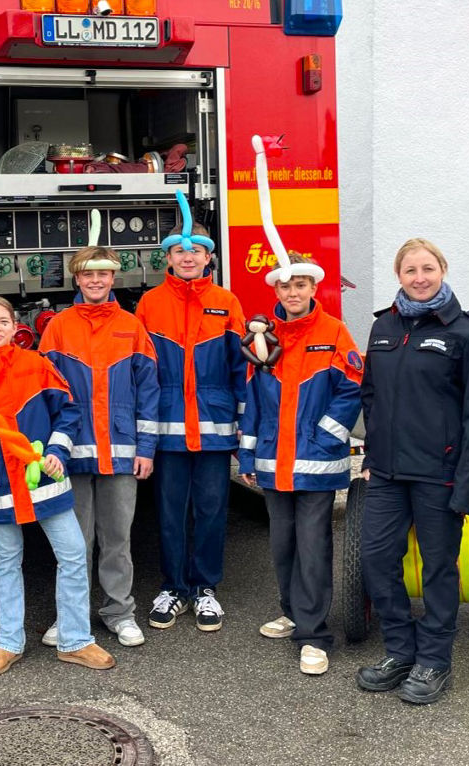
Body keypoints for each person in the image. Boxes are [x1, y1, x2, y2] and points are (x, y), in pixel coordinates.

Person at [355, 238, 469, 704]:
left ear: (442, 270)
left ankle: (435, 660)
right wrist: (373, 455)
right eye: (410, 270)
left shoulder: (467, 334)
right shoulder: (383, 327)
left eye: (428, 269)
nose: (420, 278)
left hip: (440, 474)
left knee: (438, 569)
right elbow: (371, 395)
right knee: (377, 559)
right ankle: (400, 650)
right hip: (387, 473)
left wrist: (467, 486)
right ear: (398, 275)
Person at [0, 297, 116, 676]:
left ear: (16, 327)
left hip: (44, 481)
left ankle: (75, 640)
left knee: (73, 555)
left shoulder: (38, 365)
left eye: (4, 321)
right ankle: (8, 642)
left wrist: (58, 451)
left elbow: (68, 412)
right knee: (6, 562)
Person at [239, 253, 364, 676]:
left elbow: (352, 387)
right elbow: (253, 399)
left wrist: (324, 436)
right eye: (285, 286)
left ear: (313, 288)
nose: (292, 293)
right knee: (283, 545)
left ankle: (314, 636)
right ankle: (294, 613)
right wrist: (248, 453)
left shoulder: (333, 332)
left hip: (316, 462)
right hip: (273, 461)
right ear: (276, 290)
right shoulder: (263, 337)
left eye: (300, 285)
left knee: (313, 548)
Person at [39, 245, 159, 648]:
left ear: (113, 278)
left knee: (117, 540)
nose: (95, 281)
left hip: (121, 451)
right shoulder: (58, 327)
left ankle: (119, 613)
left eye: (102, 274)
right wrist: (49, 449)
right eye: (88, 274)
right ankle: (70, 617)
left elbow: (148, 390)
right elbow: (46, 392)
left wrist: (146, 447)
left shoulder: (131, 325)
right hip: (70, 453)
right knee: (74, 544)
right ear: (77, 278)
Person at [136, 220, 246, 632]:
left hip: (214, 424)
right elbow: (142, 371)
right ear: (167, 257)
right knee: (169, 513)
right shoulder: (149, 304)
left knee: (212, 511)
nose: (188, 258)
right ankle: (173, 588)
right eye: (180, 251)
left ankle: (204, 589)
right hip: (167, 427)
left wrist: (244, 422)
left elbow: (240, 368)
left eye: (195, 250)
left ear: (208, 256)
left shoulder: (226, 302)